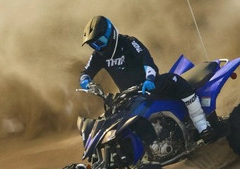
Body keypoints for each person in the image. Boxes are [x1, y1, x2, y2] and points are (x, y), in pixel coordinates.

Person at [78, 15, 213, 141]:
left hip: (149, 85)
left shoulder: (129, 42)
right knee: (110, 118)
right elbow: (86, 72)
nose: (98, 47)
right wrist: (87, 83)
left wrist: (149, 79)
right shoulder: (98, 55)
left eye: (99, 42)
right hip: (129, 95)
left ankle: (202, 125)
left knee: (174, 80)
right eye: (93, 45)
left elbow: (147, 60)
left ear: (110, 33)